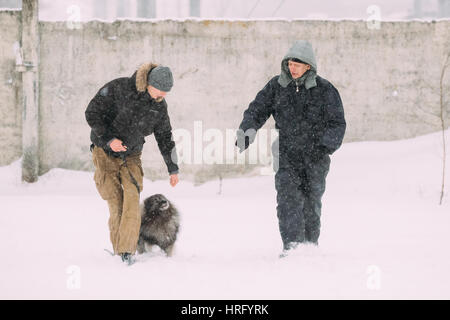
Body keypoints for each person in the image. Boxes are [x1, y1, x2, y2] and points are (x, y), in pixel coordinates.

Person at [236, 40, 346, 257]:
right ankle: (292, 247)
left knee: (310, 202)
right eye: (289, 64)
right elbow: (257, 110)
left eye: (297, 64)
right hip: (287, 154)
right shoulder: (277, 86)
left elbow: (337, 123)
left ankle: (309, 247)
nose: (292, 68)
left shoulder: (324, 90)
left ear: (308, 66)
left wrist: (323, 147)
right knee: (287, 201)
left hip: (316, 157)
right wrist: (246, 132)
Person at [85, 63, 179, 265]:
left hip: (131, 155)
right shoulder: (119, 89)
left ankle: (126, 252)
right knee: (116, 202)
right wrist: (109, 139)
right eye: (160, 89)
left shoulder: (159, 106)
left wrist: (173, 168)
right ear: (149, 83)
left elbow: (165, 136)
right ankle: (119, 250)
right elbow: (92, 113)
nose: (163, 94)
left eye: (166, 91)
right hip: (105, 152)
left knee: (132, 200)